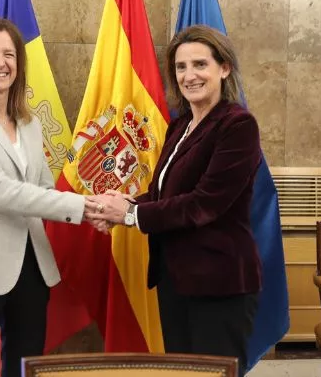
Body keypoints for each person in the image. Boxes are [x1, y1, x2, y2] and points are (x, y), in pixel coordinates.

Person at [87, 25, 262, 376]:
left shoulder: (238, 125)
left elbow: (204, 204)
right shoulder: (180, 126)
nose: (189, 75)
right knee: (182, 372)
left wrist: (131, 215)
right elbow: (162, 195)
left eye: (200, 64)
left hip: (219, 284)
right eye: (181, 67)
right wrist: (119, 205)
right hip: (176, 279)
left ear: (224, 68)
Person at [0, 17, 103, 377]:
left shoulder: (29, 124)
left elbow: (43, 188)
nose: (0, 62)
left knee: (25, 370)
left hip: (32, 269)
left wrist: (96, 210)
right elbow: (0, 192)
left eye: (9, 54)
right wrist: (82, 207)